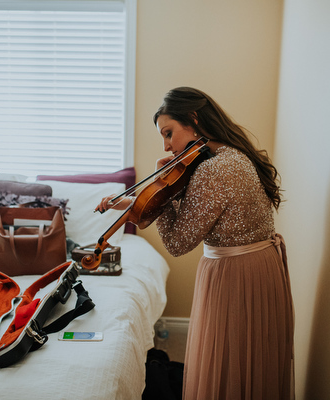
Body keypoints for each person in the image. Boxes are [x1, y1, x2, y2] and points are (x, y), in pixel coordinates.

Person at [96, 87, 294, 400]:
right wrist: (149, 197)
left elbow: (177, 243)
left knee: (228, 362)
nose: (166, 144)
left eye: (169, 132)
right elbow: (199, 208)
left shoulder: (214, 170)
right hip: (261, 268)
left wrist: (158, 201)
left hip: (234, 274)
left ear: (193, 119)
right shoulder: (235, 156)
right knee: (251, 360)